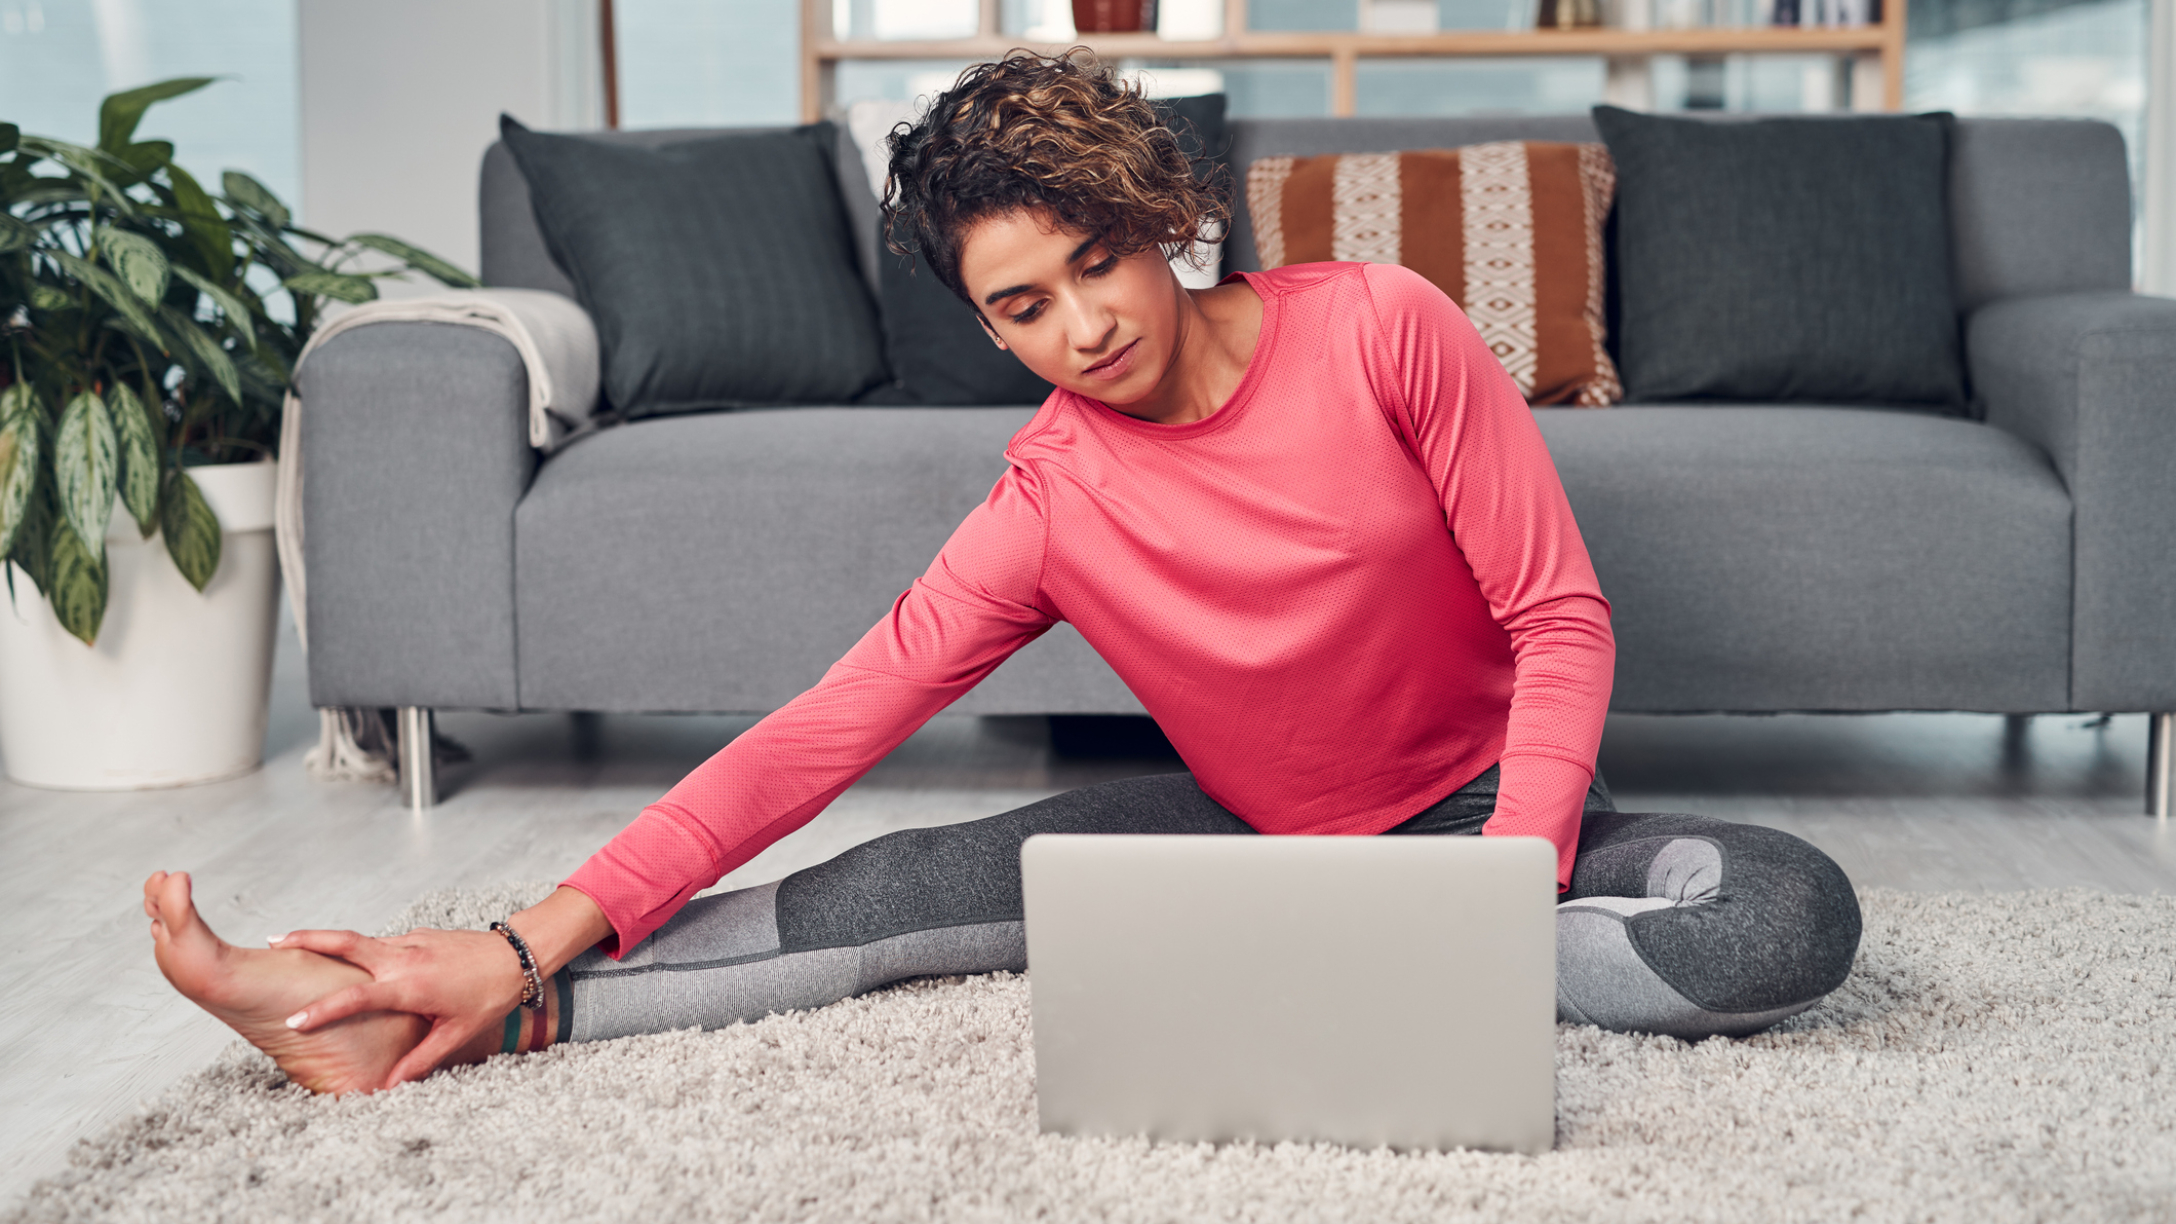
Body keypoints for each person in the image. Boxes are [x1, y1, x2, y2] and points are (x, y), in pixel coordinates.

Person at [143, 51, 1862, 1096]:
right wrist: (512, 942)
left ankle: (1342, 953)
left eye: (1098, 264)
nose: (1085, 328)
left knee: (1787, 917)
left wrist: (1505, 879)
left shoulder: (1384, 332)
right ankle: (423, 1017)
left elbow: (1556, 615)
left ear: (1159, 220)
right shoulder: (1047, 498)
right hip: (1258, 853)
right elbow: (817, 733)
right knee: (903, 890)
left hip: (1500, 830)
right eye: (1019, 307)